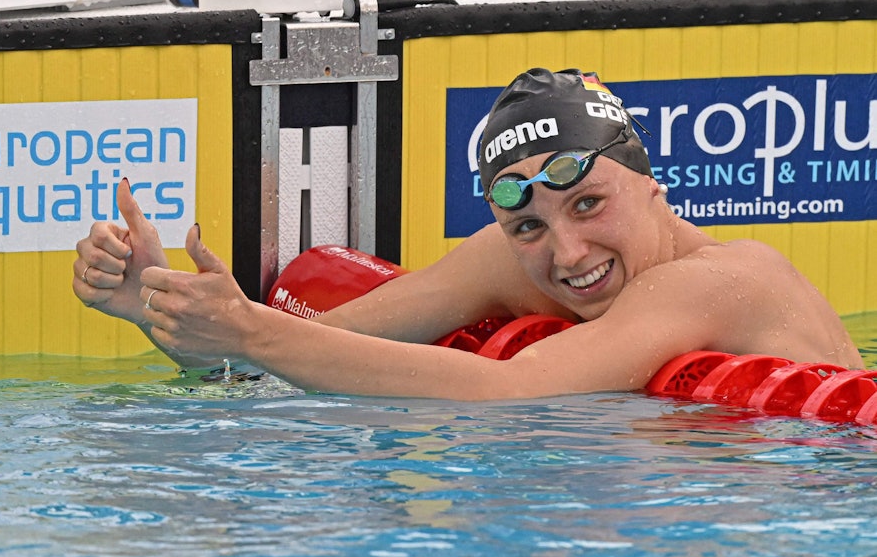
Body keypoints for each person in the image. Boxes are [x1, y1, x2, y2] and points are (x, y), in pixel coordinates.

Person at [73, 67, 862, 399]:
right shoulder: (512, 262)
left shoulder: (726, 280)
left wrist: (249, 329)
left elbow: (506, 392)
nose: (566, 254)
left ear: (652, 184)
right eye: (527, 225)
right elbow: (276, 364)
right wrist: (155, 306)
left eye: (589, 204)